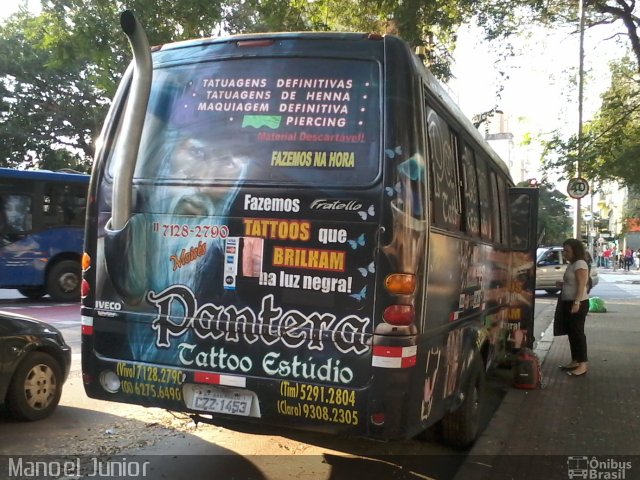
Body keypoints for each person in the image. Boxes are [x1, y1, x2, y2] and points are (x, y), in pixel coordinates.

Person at [554, 238, 590, 377]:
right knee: (571, 333)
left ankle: (582, 365)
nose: (564, 254)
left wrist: (577, 303)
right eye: (564, 251)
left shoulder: (580, 263)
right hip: (568, 302)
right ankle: (575, 360)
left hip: (577, 303)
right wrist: (563, 284)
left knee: (577, 333)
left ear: (575, 251)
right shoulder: (572, 264)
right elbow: (573, 283)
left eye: (567, 251)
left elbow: (582, 285)